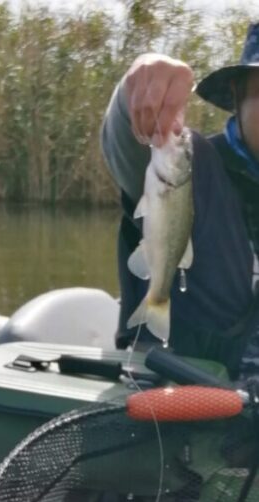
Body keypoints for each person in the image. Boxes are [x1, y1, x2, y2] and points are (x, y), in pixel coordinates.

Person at [101, 22, 259, 379]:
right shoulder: (191, 163)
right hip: (183, 395)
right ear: (236, 95)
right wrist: (137, 95)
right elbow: (127, 148)